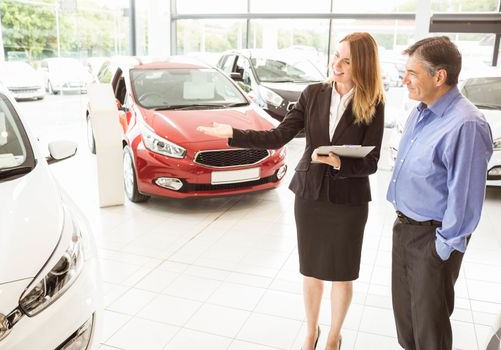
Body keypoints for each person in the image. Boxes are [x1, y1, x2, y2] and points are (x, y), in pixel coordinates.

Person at [198, 32, 385, 350]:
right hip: (310, 195)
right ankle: (311, 332)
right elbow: (278, 135)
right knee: (311, 270)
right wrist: (232, 134)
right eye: (335, 56)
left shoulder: (374, 103)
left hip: (349, 202)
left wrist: (340, 162)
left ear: (363, 66)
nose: (336, 64)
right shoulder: (313, 93)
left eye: (347, 60)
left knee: (342, 273)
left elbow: (372, 160)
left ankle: (333, 336)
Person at [387, 36, 493, 350]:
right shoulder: (420, 112)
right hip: (404, 230)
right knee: (407, 327)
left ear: (439, 76)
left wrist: (441, 250)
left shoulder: (467, 124)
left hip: (432, 241)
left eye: (412, 73)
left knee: (429, 333)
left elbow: (466, 199)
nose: (404, 80)